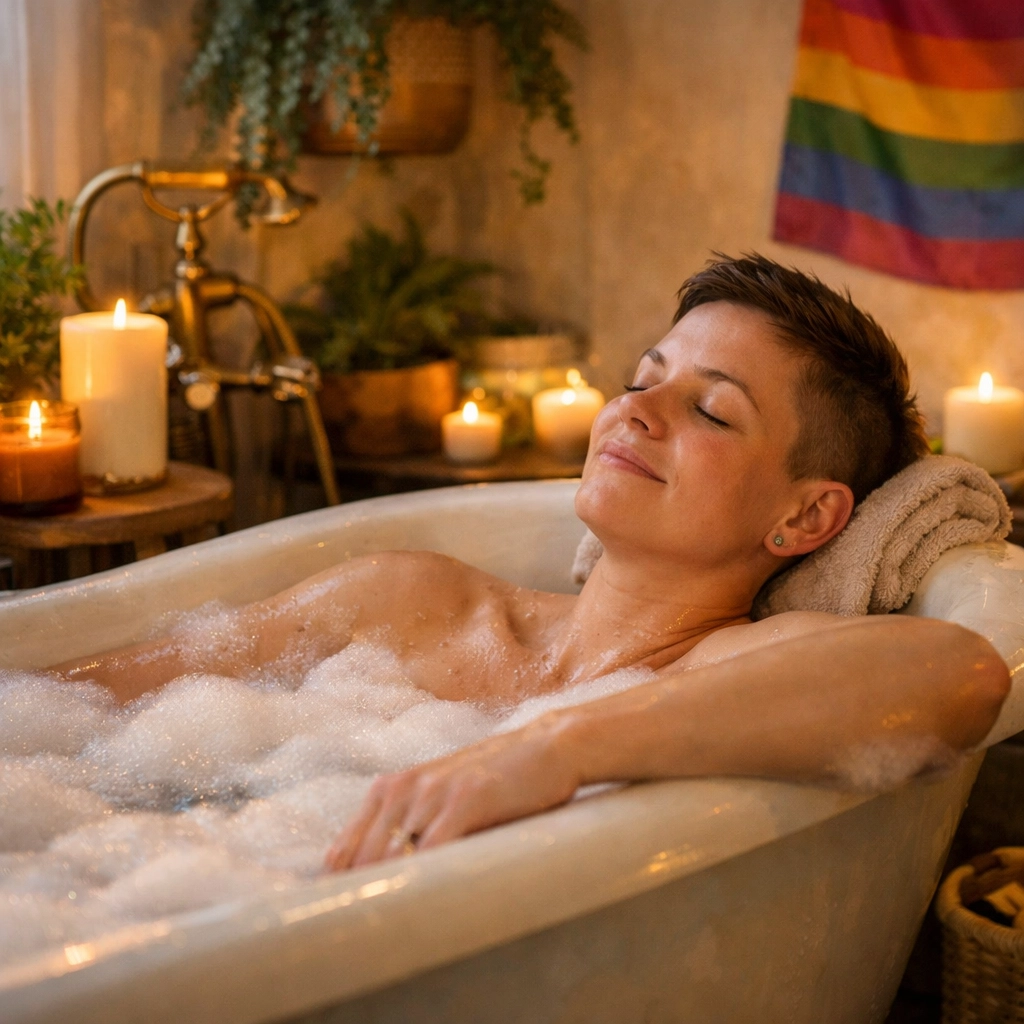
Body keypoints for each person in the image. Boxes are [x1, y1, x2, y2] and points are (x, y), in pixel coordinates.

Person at [55, 254, 1011, 873]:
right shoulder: (404, 600)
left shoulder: (724, 670)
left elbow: (957, 675)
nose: (635, 413)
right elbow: (74, 704)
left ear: (805, 517)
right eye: (642, 381)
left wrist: (553, 747)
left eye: (713, 411)